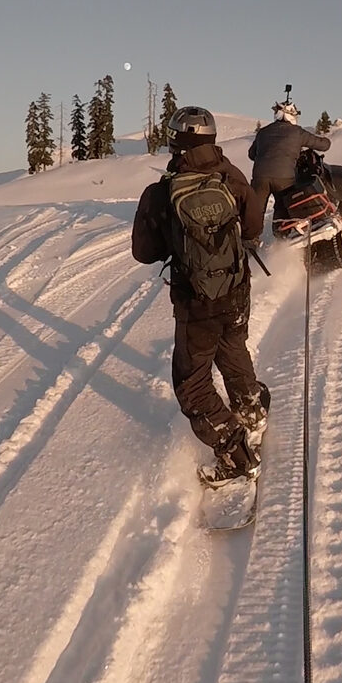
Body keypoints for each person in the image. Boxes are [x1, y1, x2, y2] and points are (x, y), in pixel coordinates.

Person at [133, 106, 270, 482]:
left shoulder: (161, 192)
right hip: (236, 288)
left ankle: (236, 453)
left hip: (196, 301)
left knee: (192, 384)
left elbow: (143, 252)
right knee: (233, 348)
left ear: (177, 142)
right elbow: (255, 223)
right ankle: (251, 409)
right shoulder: (233, 177)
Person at [249, 96, 331, 225]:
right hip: (284, 178)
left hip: (260, 177)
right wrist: (327, 140)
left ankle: (250, 241)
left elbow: (251, 154)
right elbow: (323, 145)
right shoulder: (297, 132)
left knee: (255, 211)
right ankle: (281, 238)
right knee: (283, 208)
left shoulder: (263, 132)